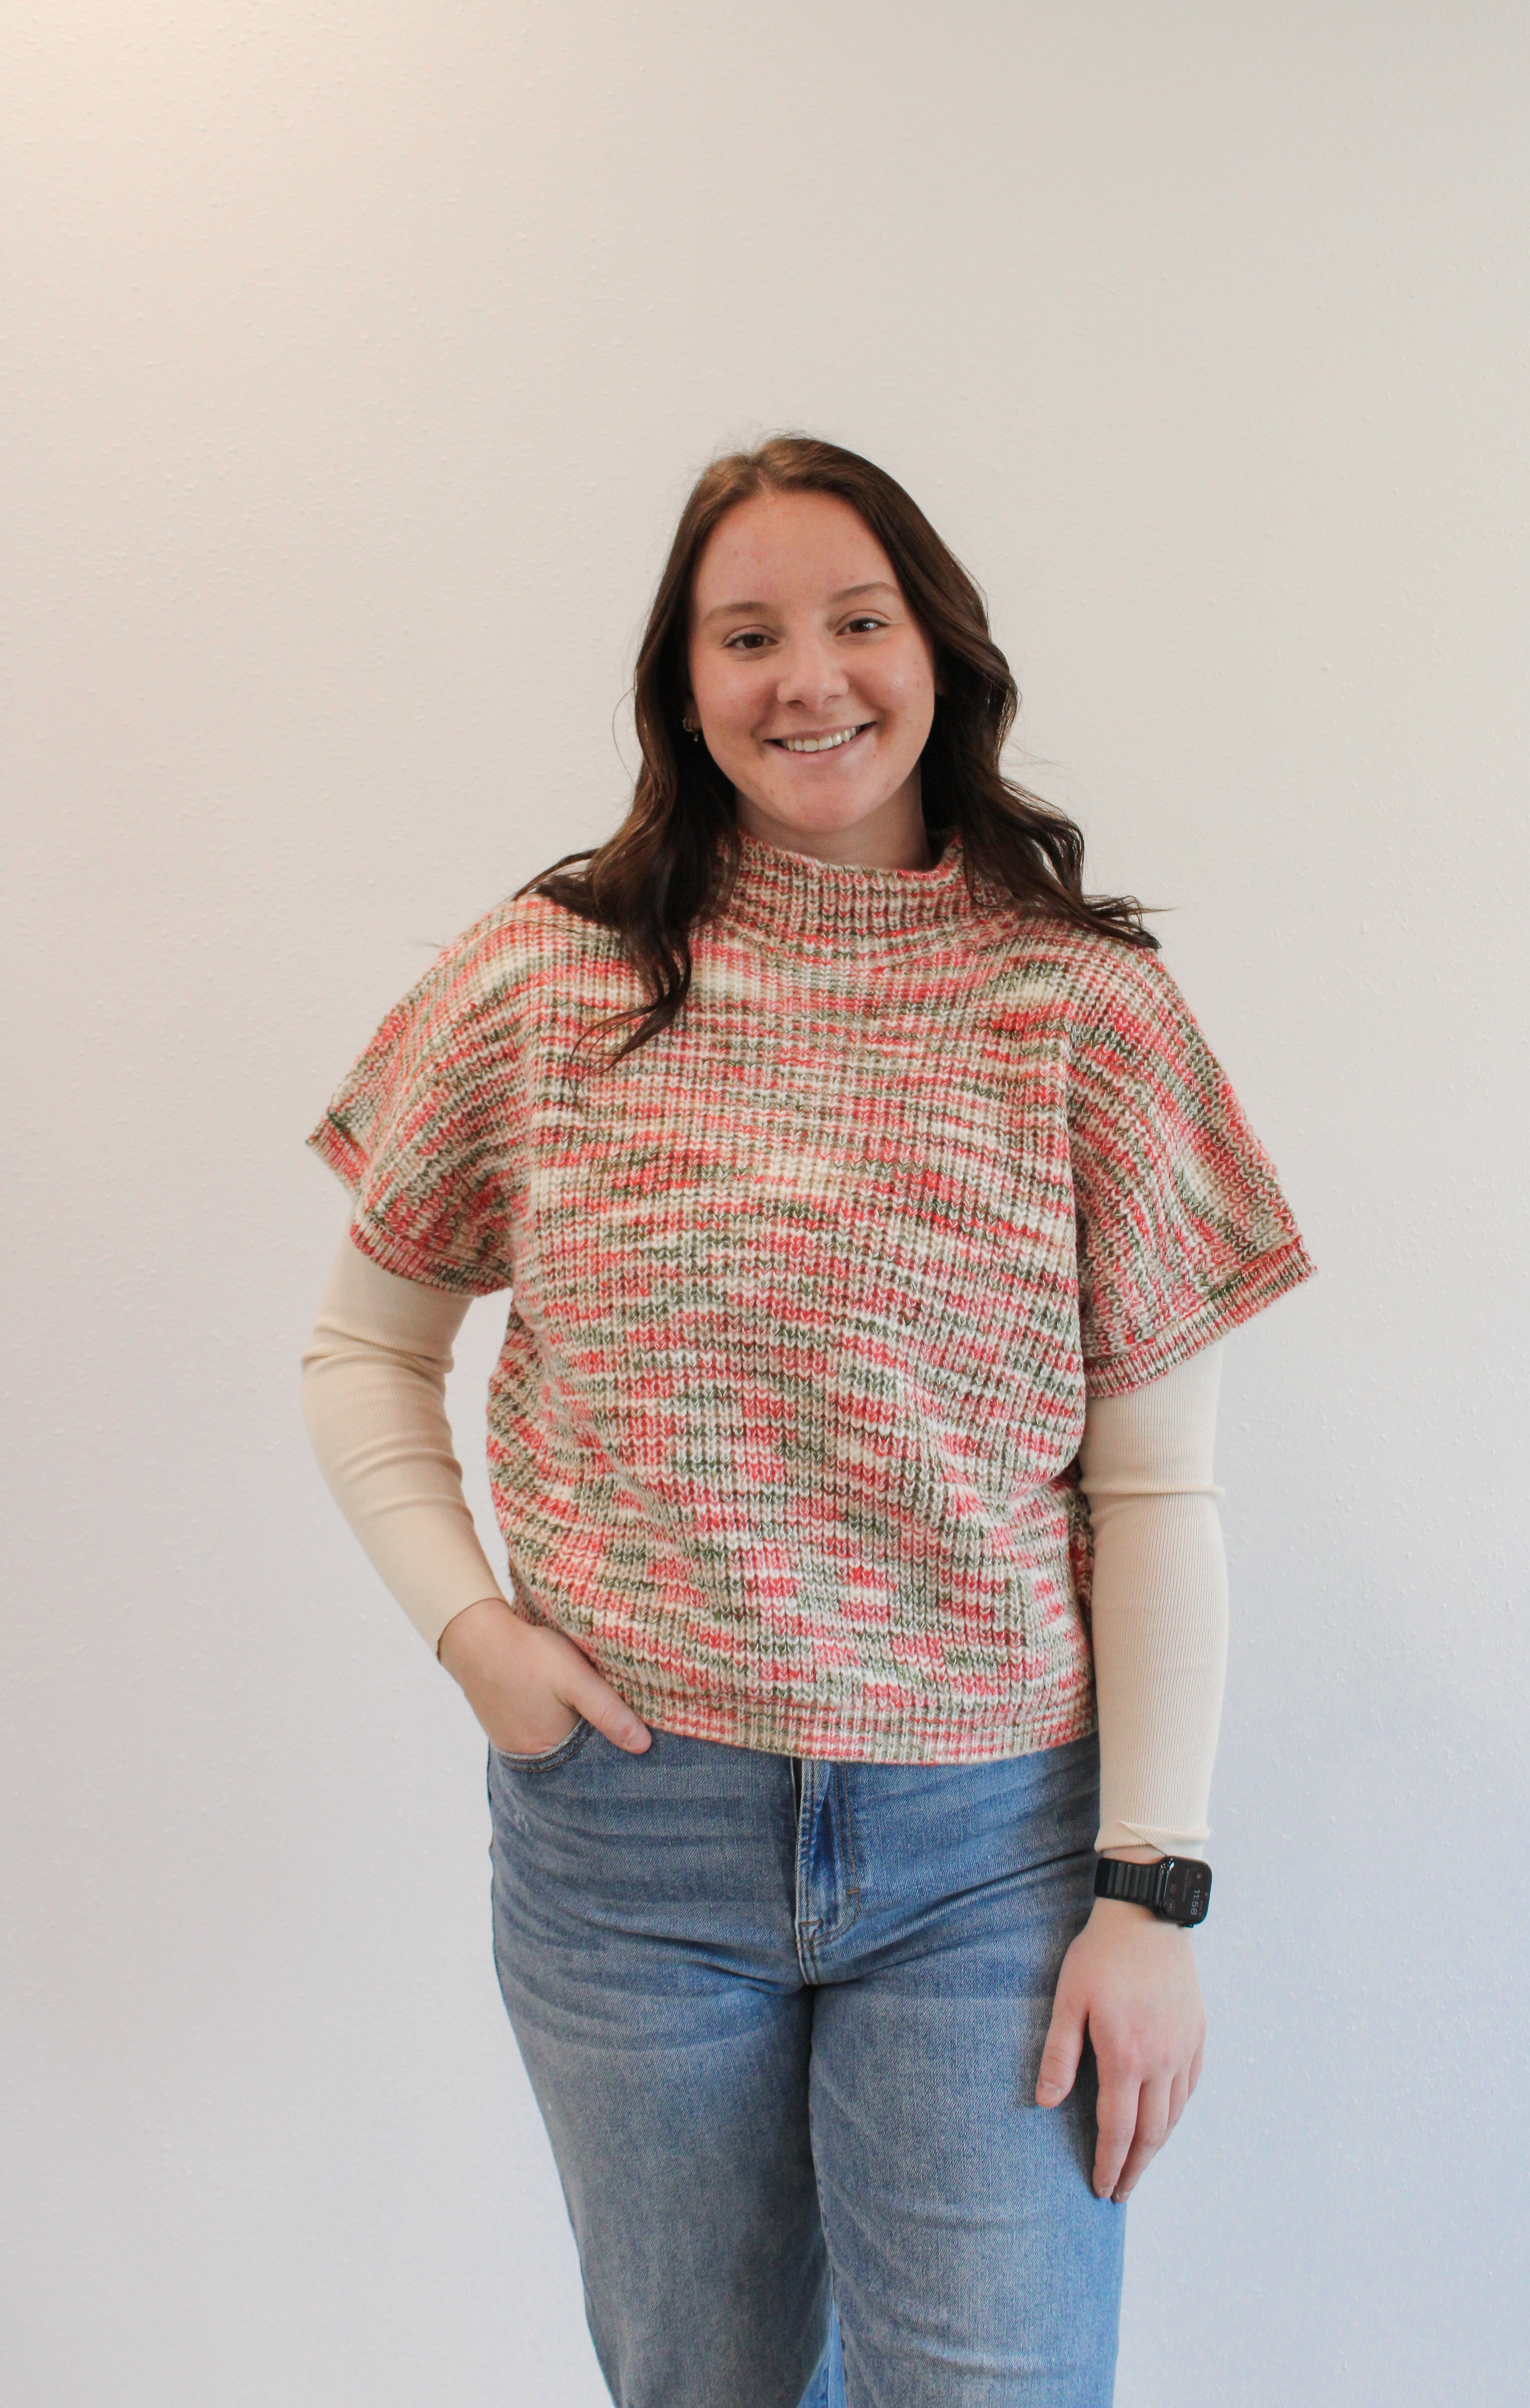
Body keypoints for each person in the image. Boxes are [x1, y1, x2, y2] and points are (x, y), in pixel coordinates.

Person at [300, 435, 1314, 2408]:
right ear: (683, 686)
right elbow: (363, 1352)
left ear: (940, 652)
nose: (809, 679)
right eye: (746, 634)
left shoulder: (1085, 1007)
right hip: (633, 1844)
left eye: (858, 621)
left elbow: (1155, 1486)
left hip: (990, 1851)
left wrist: (1151, 1887)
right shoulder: (546, 978)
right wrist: (473, 1632)